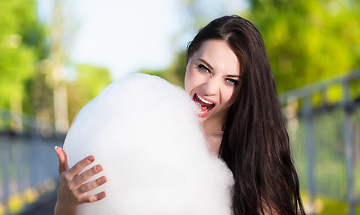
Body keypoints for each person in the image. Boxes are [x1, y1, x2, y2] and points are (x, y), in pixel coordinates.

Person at [55, 15, 306, 215]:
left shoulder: (255, 155)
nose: (210, 88)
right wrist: (66, 203)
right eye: (204, 68)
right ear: (189, 60)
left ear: (245, 89)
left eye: (230, 81)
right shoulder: (136, 127)